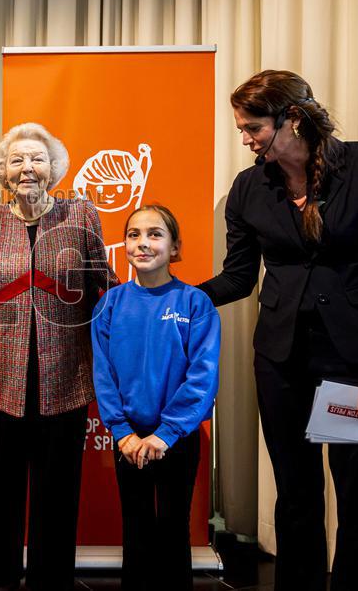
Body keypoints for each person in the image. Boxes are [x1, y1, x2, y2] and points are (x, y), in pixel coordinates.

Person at [198, 70, 358, 591]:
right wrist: (167, 297)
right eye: (243, 130)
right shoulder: (250, 186)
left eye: (253, 128)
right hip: (281, 362)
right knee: (295, 496)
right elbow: (238, 276)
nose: (247, 139)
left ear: (292, 118)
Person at [0, 123, 115, 590]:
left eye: (38, 159)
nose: (28, 168)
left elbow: (102, 286)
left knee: (57, 493)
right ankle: (0, 578)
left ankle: (51, 581)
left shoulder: (80, 215)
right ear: (3, 171)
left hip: (64, 378)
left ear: (54, 169)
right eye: (18, 160)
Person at [92, 205, 220, 591]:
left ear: (175, 246)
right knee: (135, 525)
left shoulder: (195, 304)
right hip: (129, 439)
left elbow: (203, 377)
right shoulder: (110, 305)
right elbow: (103, 375)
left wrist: (166, 433)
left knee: (172, 526)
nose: (143, 243)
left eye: (155, 234)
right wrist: (123, 432)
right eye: (134, 234)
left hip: (176, 441)